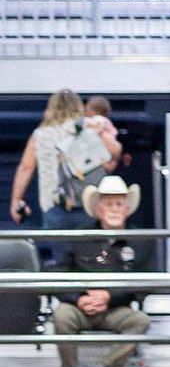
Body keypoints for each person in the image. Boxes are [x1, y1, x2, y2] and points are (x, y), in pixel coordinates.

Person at [50, 176, 154, 367]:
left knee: (140, 321)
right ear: (98, 209)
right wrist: (79, 298)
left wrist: (109, 296)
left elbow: (146, 281)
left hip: (116, 310)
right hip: (80, 308)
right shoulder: (80, 235)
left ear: (127, 209)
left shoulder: (140, 240)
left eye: (119, 204)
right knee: (61, 315)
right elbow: (57, 273)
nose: (114, 209)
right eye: (108, 204)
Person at [11, 89, 123, 269]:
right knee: (91, 258)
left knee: (60, 261)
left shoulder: (41, 134)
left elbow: (26, 167)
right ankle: (92, 294)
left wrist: (16, 200)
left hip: (54, 204)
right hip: (89, 203)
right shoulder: (88, 127)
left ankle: (66, 295)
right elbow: (116, 151)